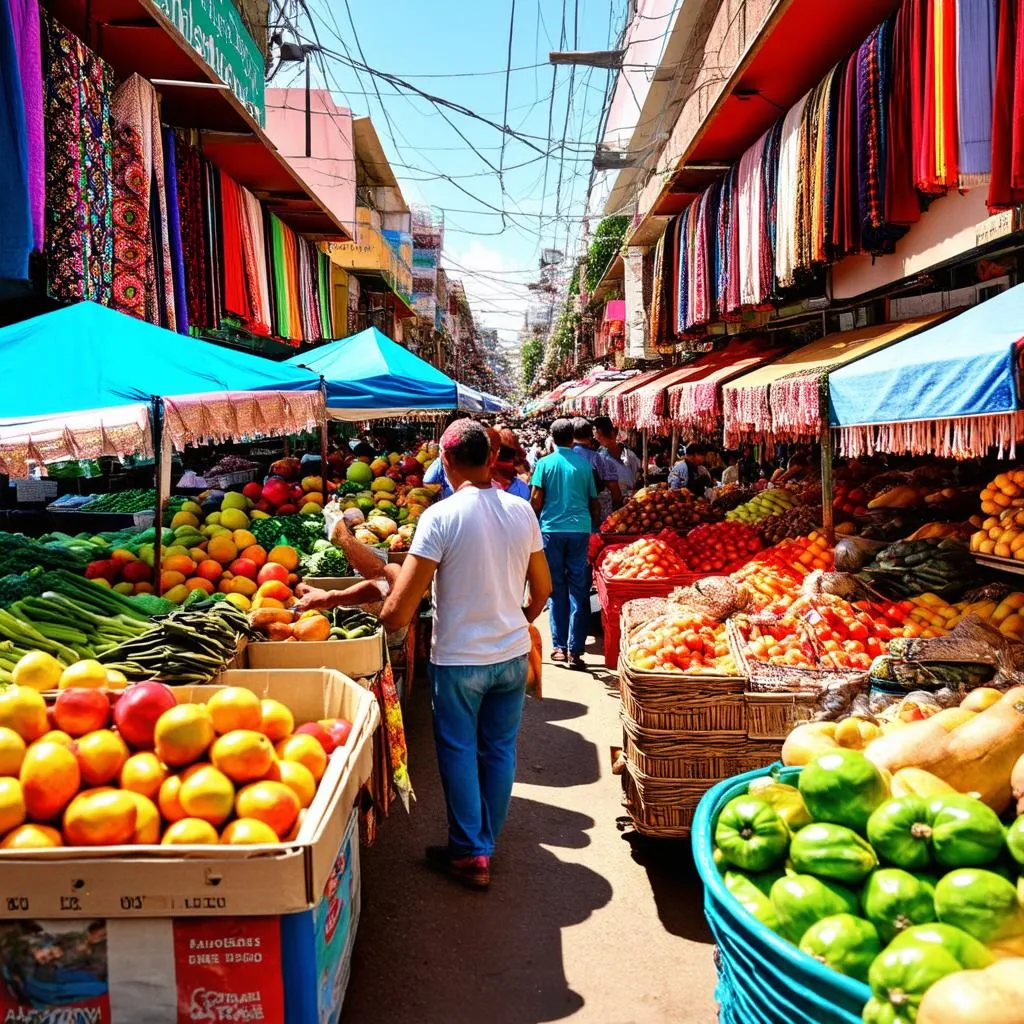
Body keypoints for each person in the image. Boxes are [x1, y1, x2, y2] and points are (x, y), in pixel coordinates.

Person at [369, 419, 551, 890]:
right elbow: (543, 589)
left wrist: (382, 606)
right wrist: (515, 620)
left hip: (460, 661)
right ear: (491, 459)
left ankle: (471, 850)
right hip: (511, 657)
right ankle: (481, 843)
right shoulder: (521, 510)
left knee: (458, 750)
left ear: (446, 462)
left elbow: (400, 610)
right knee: (498, 750)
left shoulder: (440, 516)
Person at [530, 418, 599, 670]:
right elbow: (594, 502)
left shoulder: (544, 464)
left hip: (551, 532)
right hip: (580, 531)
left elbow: (536, 500)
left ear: (551, 437)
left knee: (556, 588)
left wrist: (530, 526)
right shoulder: (584, 465)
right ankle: (576, 650)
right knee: (579, 590)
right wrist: (592, 529)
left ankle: (559, 647)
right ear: (572, 438)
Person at [571, 418, 623, 523]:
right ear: (591, 436)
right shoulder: (599, 459)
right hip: (591, 517)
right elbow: (615, 490)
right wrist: (616, 518)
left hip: (562, 521)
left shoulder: (555, 461)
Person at [592, 415, 640, 494]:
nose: (596, 437)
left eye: (599, 434)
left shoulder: (629, 454)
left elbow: (639, 471)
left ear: (613, 433)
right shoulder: (600, 458)